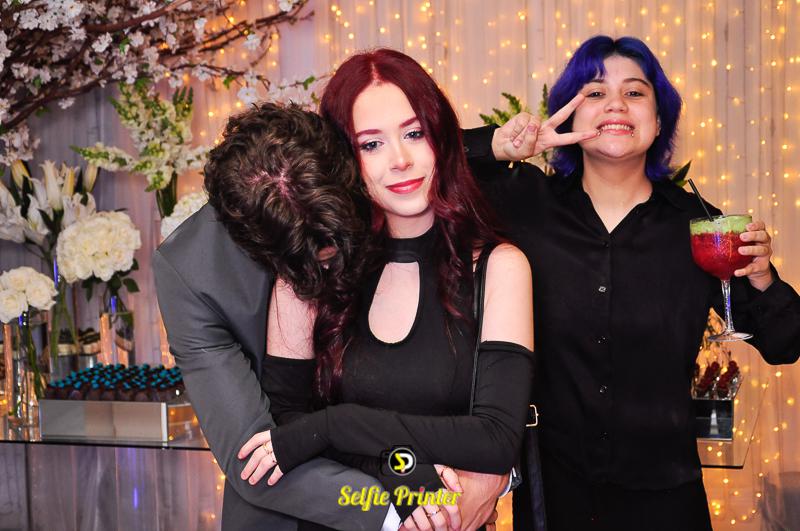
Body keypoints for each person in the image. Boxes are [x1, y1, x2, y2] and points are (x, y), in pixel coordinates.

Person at [461, 35, 800, 530]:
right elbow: (418, 167)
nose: (616, 103)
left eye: (635, 92)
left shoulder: (700, 225)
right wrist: (497, 145)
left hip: (667, 502)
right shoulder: (523, 205)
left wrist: (763, 277)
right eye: (595, 92)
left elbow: (785, 343)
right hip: (554, 500)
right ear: (568, 117)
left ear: (659, 121)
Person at [236, 49, 536, 531]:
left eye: (414, 134)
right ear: (344, 160)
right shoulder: (310, 273)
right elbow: (288, 430)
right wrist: (402, 471)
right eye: (371, 144)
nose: (400, 160)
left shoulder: (500, 267)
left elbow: (496, 440)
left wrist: (334, 425)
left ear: (440, 137)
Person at [154, 102, 411, 530]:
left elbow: (422, 154)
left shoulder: (350, 167)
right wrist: (397, 511)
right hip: (294, 512)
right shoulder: (189, 271)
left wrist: (489, 145)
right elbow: (251, 455)